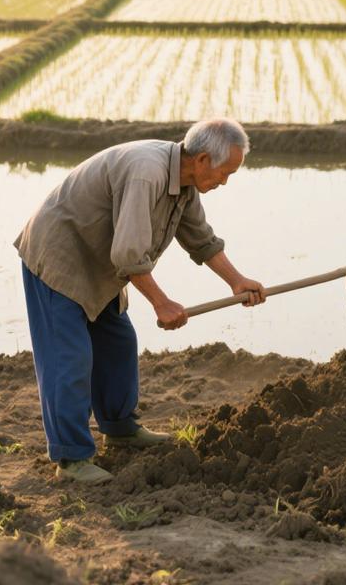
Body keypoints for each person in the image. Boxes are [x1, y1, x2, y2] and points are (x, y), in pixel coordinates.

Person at [14, 117, 266, 484]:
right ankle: (71, 459)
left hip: (100, 262)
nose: (224, 181)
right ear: (201, 160)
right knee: (69, 358)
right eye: (224, 172)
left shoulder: (185, 183)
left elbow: (201, 240)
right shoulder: (147, 174)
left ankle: (120, 429)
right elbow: (129, 254)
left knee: (118, 342)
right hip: (60, 257)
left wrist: (237, 281)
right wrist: (161, 302)